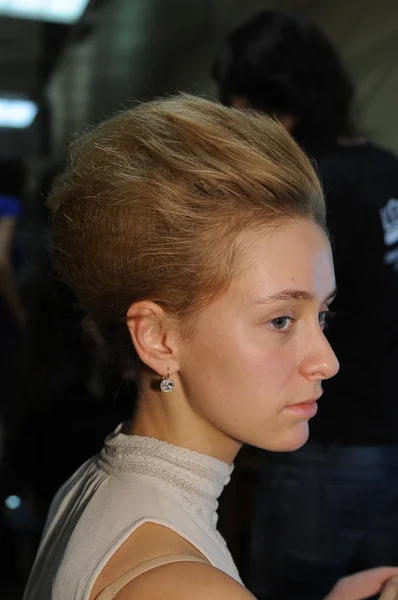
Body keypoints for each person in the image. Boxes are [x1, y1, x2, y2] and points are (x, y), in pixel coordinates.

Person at [23, 94, 398, 600]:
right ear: (158, 338)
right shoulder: (182, 584)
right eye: (281, 320)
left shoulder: (91, 483)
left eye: (323, 314)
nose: (327, 361)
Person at [212, 10, 398, 600]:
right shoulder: (386, 171)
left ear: (278, 101)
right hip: (386, 438)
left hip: (328, 440)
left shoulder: (312, 192)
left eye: (241, 105)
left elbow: (272, 314)